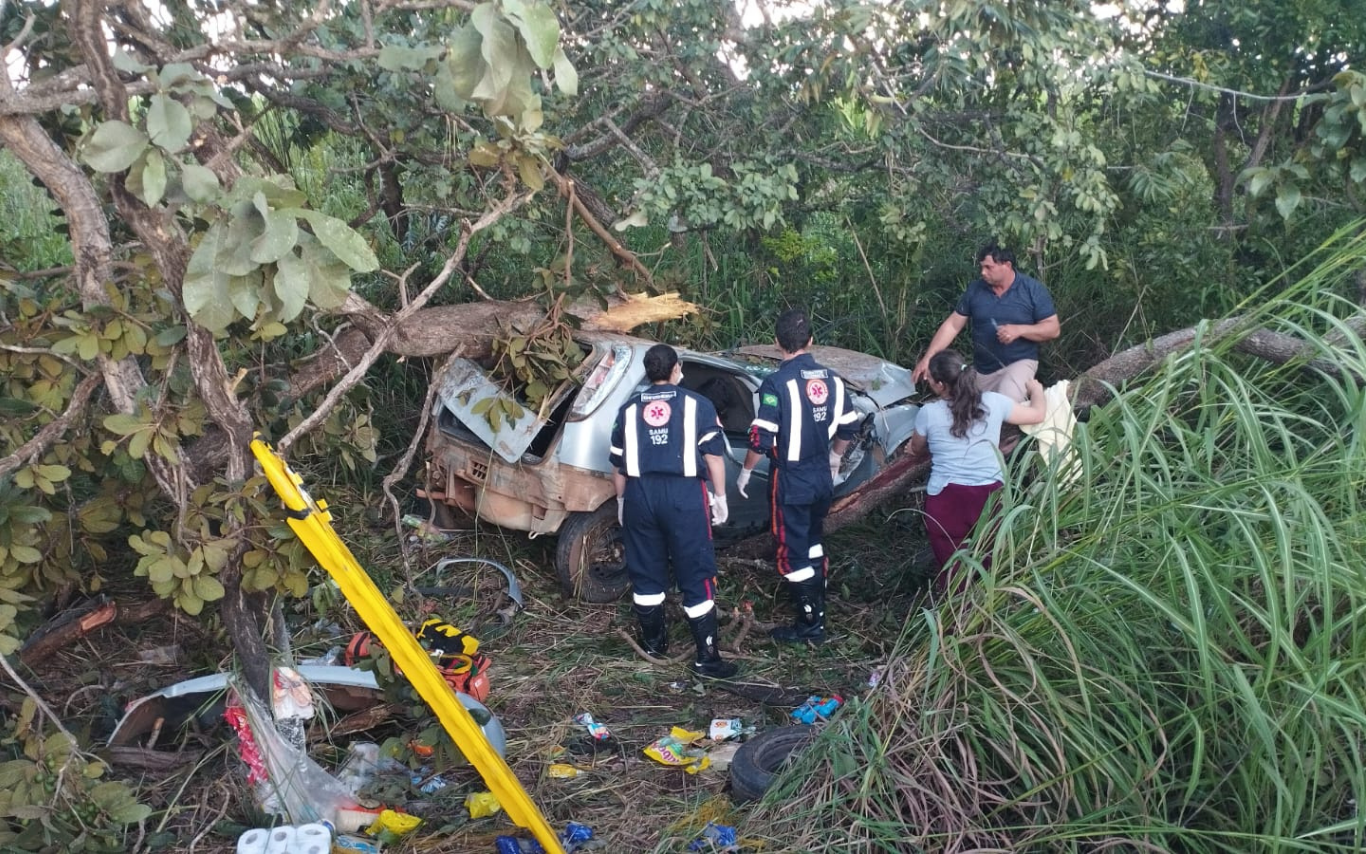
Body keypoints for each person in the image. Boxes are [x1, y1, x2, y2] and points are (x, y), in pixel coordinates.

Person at [609, 344, 736, 678]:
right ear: (677, 368)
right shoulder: (699, 405)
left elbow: (618, 466)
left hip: (639, 495)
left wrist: (622, 502)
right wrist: (720, 496)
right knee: (696, 573)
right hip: (683, 497)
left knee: (646, 573)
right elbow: (713, 457)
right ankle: (706, 658)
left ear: (648, 372)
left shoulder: (628, 409)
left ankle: (654, 647)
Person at [737, 308, 860, 645]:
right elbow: (850, 425)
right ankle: (817, 609)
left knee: (791, 551)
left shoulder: (776, 383)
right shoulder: (833, 380)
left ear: (777, 343)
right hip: (821, 477)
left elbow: (762, 438)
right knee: (813, 540)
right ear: (811, 341)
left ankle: (810, 625)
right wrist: (835, 459)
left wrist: (745, 472)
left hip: (790, 480)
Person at [909, 350, 1047, 599]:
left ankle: (953, 628)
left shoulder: (928, 413)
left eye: (929, 379)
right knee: (989, 566)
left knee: (952, 574)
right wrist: (1036, 390)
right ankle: (987, 623)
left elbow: (916, 449)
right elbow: (1037, 414)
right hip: (989, 498)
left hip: (946, 500)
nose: (927, 382)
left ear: (940, 385)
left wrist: (913, 447)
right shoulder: (995, 403)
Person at [911, 243, 1060, 402]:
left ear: (1006, 265)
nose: (983, 272)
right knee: (959, 406)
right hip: (982, 370)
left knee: (1005, 402)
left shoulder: (1032, 289)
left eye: (989, 267)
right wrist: (928, 358)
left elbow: (1053, 329)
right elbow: (953, 325)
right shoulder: (975, 289)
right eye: (982, 267)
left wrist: (1019, 330)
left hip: (1020, 362)